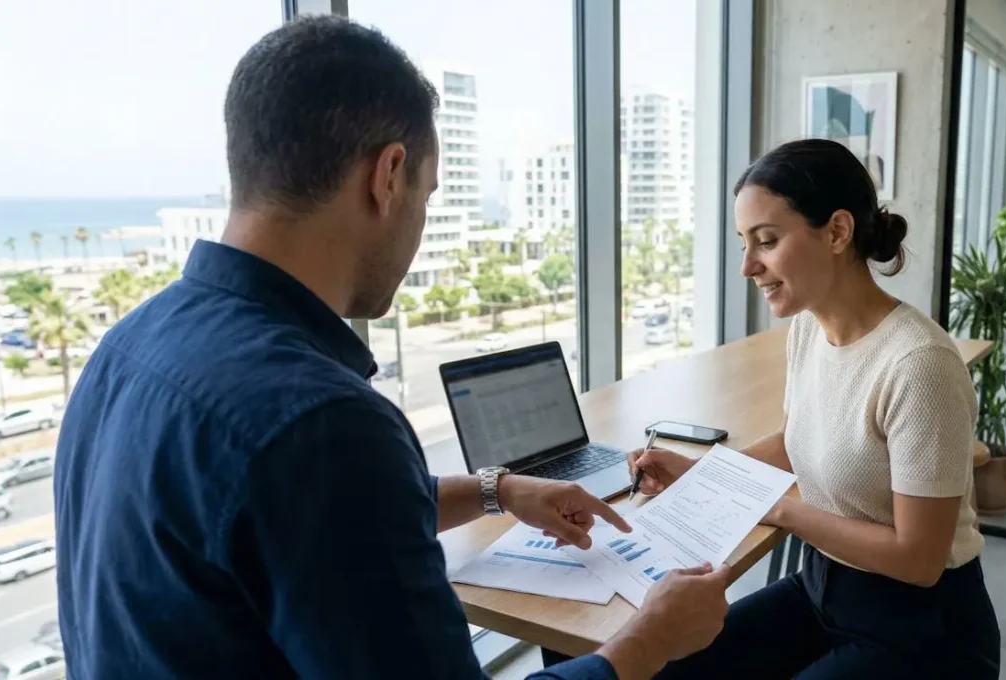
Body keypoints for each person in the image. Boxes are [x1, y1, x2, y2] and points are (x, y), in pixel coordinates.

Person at [53, 16, 731, 680]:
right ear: (388, 175)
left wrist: (496, 490)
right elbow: (321, 480)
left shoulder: (126, 348)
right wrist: (648, 642)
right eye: (427, 195)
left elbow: (290, 518)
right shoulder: (321, 425)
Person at [628, 138, 1000, 678]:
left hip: (922, 629)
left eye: (767, 241)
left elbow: (919, 560)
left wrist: (776, 507)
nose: (748, 267)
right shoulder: (808, 329)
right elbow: (795, 438)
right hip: (825, 587)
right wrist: (700, 473)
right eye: (744, 244)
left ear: (838, 232)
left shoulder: (920, 364)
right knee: (666, 662)